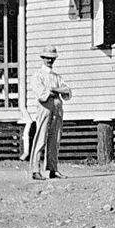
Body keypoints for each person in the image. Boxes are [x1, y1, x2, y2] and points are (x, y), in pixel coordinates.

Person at [30, 46, 71, 180]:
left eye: (52, 58)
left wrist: (55, 89)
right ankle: (35, 169)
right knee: (41, 137)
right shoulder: (38, 75)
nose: (50, 60)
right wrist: (55, 91)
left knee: (55, 138)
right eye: (47, 58)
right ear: (43, 58)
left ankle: (53, 168)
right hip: (45, 107)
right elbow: (42, 94)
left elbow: (67, 92)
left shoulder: (56, 77)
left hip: (57, 107)